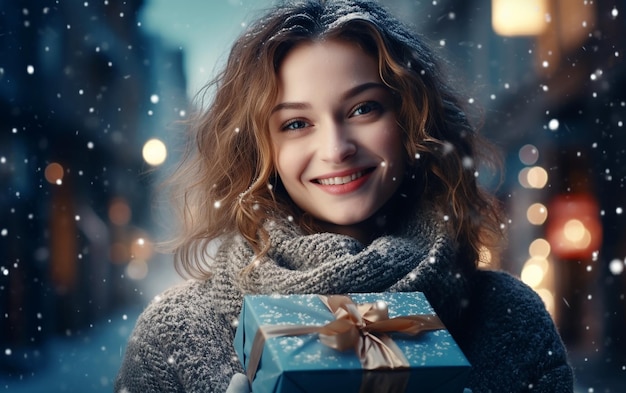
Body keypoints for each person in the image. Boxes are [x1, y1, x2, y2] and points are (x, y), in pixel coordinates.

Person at [114, 0, 574, 392]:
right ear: (258, 150)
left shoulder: (509, 318)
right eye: (296, 124)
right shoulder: (176, 333)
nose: (336, 148)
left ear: (412, 120)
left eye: (363, 108)